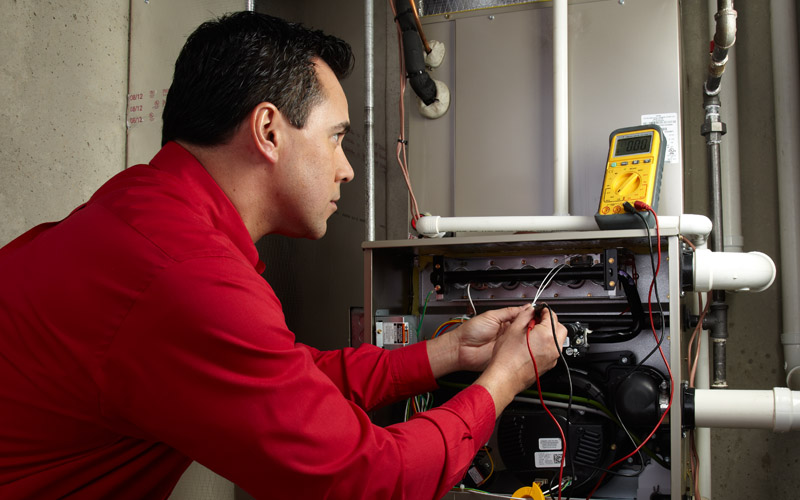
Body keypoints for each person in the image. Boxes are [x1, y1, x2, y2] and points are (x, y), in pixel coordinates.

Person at [0, 11, 567, 500]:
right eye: (336, 138)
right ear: (269, 129)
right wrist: (505, 378)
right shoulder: (185, 273)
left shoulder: (144, 211)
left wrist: (443, 355)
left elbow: (285, 380)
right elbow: (365, 481)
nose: (345, 168)